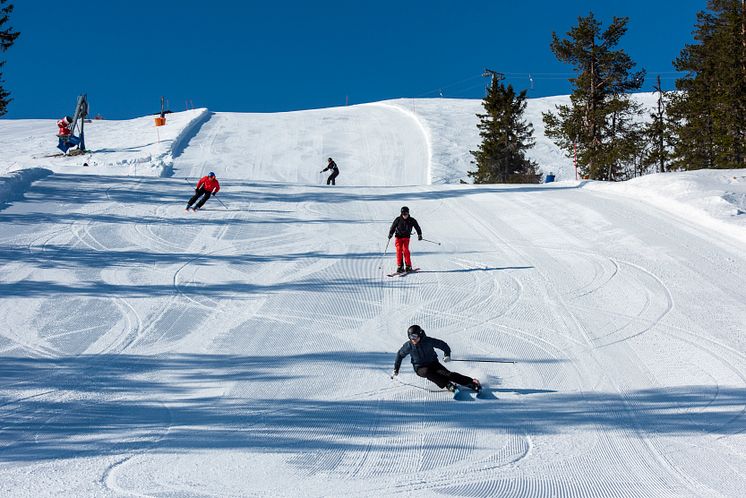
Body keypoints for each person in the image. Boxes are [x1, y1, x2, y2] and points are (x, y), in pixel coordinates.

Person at [392, 325, 481, 393]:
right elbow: (400, 355)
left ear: (419, 334)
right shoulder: (408, 346)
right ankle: (447, 384)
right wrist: (396, 368)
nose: (413, 339)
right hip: (420, 367)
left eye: (414, 336)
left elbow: (443, 345)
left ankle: (471, 383)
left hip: (433, 363)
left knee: (448, 374)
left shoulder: (428, 341)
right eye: (411, 337)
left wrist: (447, 354)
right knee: (428, 372)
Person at [388, 206, 422, 273]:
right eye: (403, 214)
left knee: (405, 249)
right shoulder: (398, 219)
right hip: (398, 237)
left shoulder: (412, 220)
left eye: (406, 214)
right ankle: (400, 266)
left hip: (406, 237)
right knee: (399, 250)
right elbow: (393, 226)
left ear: (408, 213)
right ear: (401, 213)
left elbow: (417, 227)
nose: (404, 215)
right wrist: (390, 233)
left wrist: (419, 234)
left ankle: (408, 266)